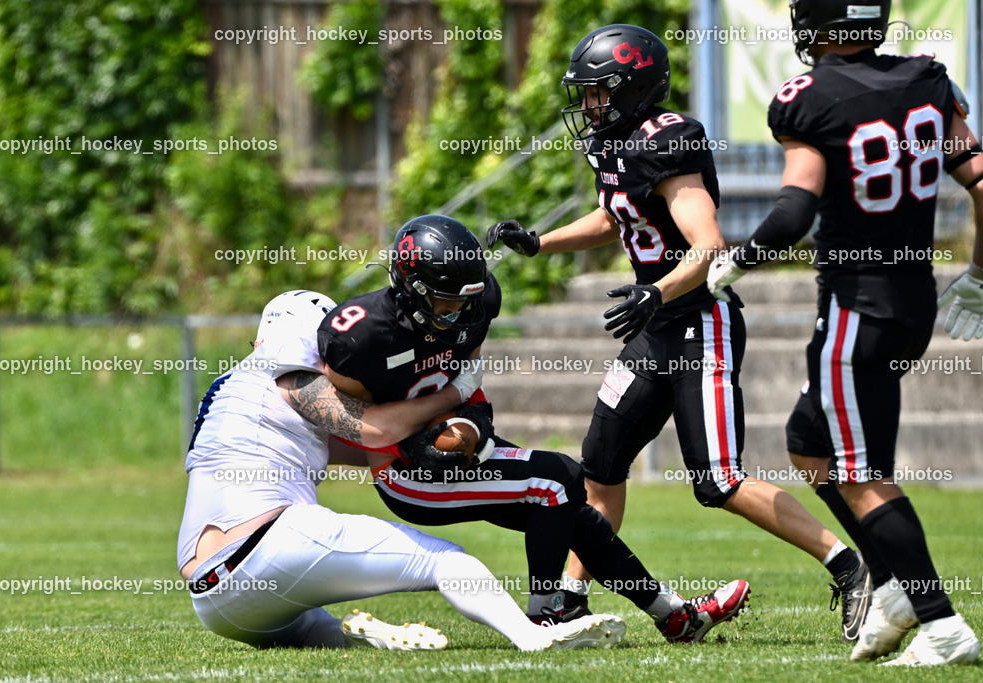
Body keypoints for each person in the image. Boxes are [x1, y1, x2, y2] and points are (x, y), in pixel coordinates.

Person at [488, 23, 871, 642]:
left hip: (699, 324)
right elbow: (617, 216)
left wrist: (655, 291)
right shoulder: (614, 145)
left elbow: (708, 245)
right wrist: (541, 242)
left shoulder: (668, 141)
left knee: (718, 482)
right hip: (655, 328)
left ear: (633, 88)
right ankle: (570, 601)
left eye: (598, 92)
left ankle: (851, 565)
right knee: (600, 469)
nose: (589, 105)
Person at [317, 213, 750, 644]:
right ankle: (545, 615)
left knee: (571, 511)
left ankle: (674, 617)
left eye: (466, 300)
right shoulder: (358, 337)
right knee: (559, 479)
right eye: (447, 302)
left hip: (455, 440)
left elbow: (466, 378)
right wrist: (412, 443)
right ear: (412, 289)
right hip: (406, 472)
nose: (461, 312)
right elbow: (359, 426)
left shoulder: (476, 302)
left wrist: (474, 419)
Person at [706, 0, 982, 667]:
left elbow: (794, 211)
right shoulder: (928, 79)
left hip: (857, 311)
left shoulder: (809, 96)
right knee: (808, 442)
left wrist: (738, 259)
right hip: (913, 302)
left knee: (863, 475)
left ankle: (941, 624)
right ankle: (891, 588)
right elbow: (980, 178)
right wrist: (978, 273)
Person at [176, 288, 629, 652]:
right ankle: (532, 635)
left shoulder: (231, 393)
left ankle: (377, 637)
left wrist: (445, 445)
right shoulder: (291, 376)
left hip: (213, 600)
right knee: (445, 560)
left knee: (312, 629)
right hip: (269, 547)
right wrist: (456, 393)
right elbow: (376, 430)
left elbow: (362, 446)